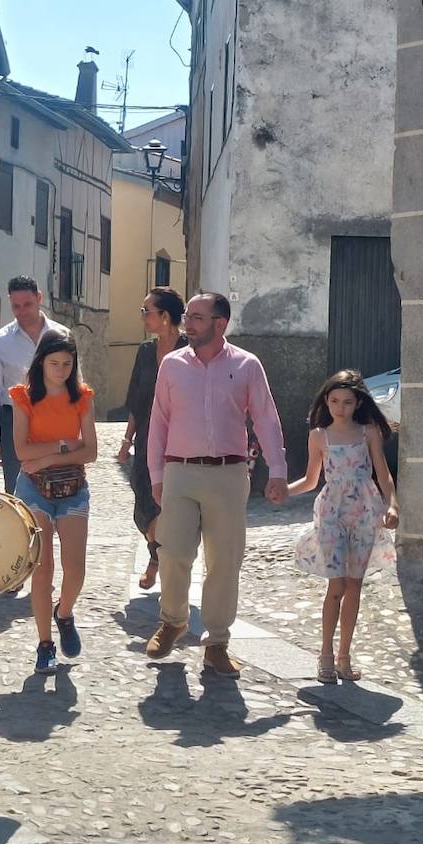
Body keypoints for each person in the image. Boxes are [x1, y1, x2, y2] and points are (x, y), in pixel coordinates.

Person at [145, 292, 288, 676]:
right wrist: (156, 475)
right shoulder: (172, 365)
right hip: (180, 471)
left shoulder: (247, 365)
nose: (187, 324)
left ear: (220, 324)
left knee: (224, 561)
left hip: (228, 473)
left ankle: (217, 643)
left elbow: (266, 418)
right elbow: (158, 421)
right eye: (187, 316)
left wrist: (277, 470)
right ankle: (173, 620)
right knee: (173, 552)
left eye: (197, 317)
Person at [288, 370, 399, 684]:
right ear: (326, 401)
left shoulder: (368, 432)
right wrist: (284, 490)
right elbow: (311, 479)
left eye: (347, 402)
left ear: (358, 403)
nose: (340, 407)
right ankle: (325, 653)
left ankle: (344, 656)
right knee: (335, 585)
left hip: (364, 510)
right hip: (331, 512)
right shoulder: (318, 436)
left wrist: (392, 505)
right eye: (335, 401)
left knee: (354, 586)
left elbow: (383, 473)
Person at [10, 331, 98, 675]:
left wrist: (49, 456)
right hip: (33, 490)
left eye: (67, 364)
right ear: (41, 363)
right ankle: (45, 644)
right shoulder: (23, 397)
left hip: (73, 488)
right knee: (42, 569)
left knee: (75, 569)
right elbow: (22, 451)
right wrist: (66, 445)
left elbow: (90, 451)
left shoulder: (82, 398)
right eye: (54, 363)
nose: (61, 370)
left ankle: (64, 613)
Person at [116, 287, 187, 591]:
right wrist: (126, 440)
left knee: (171, 503)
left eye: (147, 311)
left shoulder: (190, 350)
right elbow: (136, 398)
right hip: (147, 438)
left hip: (181, 440)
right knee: (145, 503)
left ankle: (158, 560)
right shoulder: (145, 351)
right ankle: (158, 551)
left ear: (166, 316)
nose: (143, 317)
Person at [0, 275, 70, 494]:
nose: (22, 311)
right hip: (14, 422)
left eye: (27, 304)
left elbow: (72, 382)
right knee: (17, 489)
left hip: (55, 418)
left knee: (57, 484)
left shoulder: (62, 335)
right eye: (16, 306)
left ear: (39, 298)